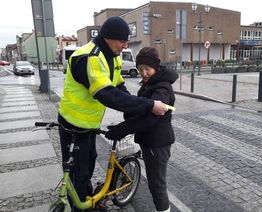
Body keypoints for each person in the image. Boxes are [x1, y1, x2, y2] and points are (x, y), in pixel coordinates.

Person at [57, 17, 168, 211]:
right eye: (122, 41)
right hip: (72, 124)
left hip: (89, 125)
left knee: (88, 165)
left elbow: (119, 87)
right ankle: (80, 207)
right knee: (77, 173)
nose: (125, 46)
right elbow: (107, 95)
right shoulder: (89, 57)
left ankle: (88, 201)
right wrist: (148, 105)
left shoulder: (113, 57)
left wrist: (133, 113)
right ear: (108, 38)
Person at [105, 47, 178, 212]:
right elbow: (141, 107)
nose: (143, 72)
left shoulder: (162, 88)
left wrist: (122, 129)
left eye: (147, 69)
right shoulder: (150, 84)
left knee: (157, 184)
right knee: (155, 182)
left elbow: (150, 118)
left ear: (156, 68)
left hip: (157, 143)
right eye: (140, 68)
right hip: (150, 141)